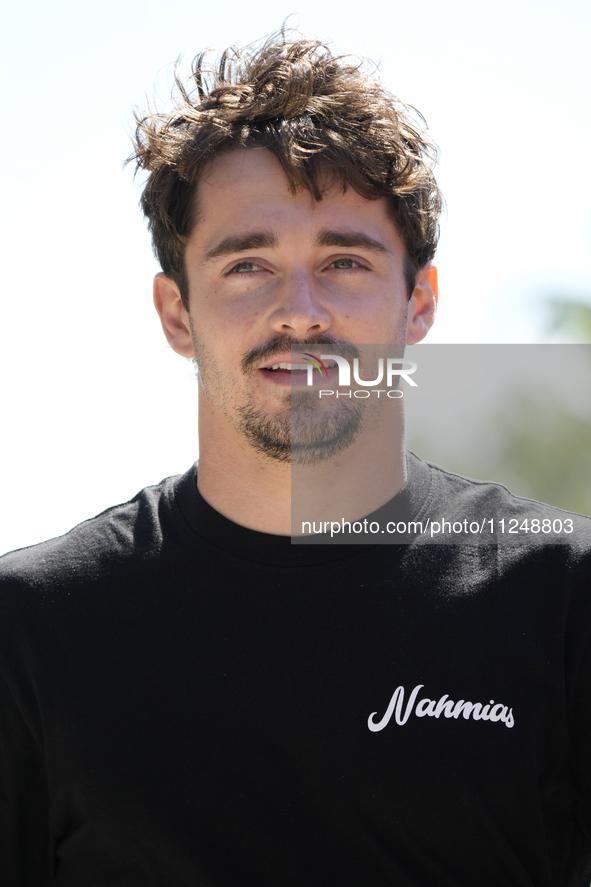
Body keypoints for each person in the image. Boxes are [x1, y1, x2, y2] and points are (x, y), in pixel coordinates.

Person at [1, 29, 590, 887]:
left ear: (418, 302)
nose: (301, 311)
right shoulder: (33, 628)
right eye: (248, 265)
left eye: (344, 261)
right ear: (176, 313)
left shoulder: (561, 595)